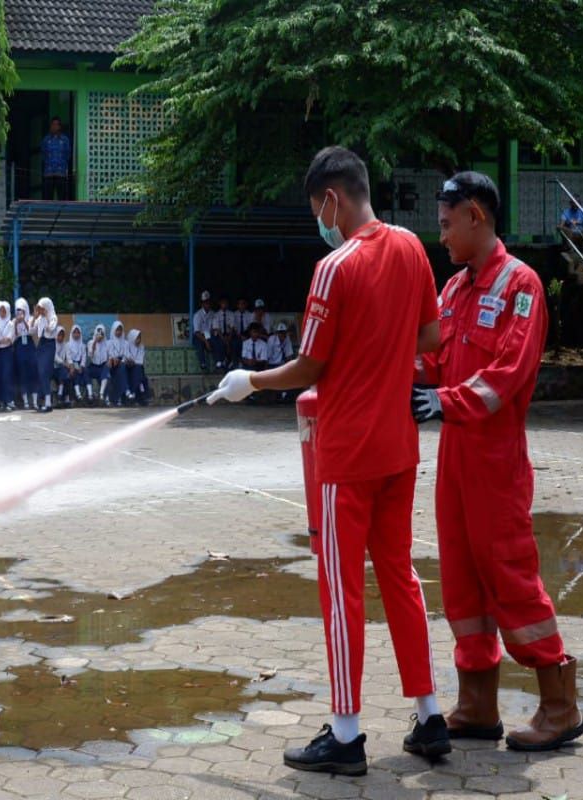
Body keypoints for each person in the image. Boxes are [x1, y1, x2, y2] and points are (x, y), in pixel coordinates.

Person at [208, 146, 444, 775]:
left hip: (347, 454)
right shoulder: (415, 249)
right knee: (400, 576)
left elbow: (310, 366)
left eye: (318, 209)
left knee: (342, 591)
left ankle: (345, 734)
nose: (320, 221)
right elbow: (431, 337)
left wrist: (248, 381)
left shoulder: (335, 268)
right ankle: (429, 715)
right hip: (399, 447)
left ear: (331, 200)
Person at [414, 171, 583, 752]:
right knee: (460, 577)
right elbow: (430, 361)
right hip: (456, 455)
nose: (441, 237)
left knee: (509, 575)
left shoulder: (521, 285)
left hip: (495, 456)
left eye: (444, 224)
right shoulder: (454, 291)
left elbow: (507, 376)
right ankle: (477, 705)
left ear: (475, 217)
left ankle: (560, 706)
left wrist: (445, 400)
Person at [12, 299, 38, 410]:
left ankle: (35, 401)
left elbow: (32, 331)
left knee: (33, 371)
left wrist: (25, 322)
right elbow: (13, 337)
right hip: (19, 347)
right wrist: (16, 324)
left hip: (29, 346)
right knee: (22, 373)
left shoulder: (31, 319)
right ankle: (25, 401)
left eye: (21, 310)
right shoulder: (13, 321)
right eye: (18, 310)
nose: (20, 313)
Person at [34, 297, 58, 413]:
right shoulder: (40, 318)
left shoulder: (53, 317)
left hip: (49, 345)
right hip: (41, 345)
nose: (41, 311)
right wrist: (35, 317)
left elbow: (50, 329)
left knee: (44, 371)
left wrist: (46, 318)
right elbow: (33, 330)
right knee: (39, 372)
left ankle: (48, 403)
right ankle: (43, 401)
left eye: (43, 308)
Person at [0, 301, 16, 411]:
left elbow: (10, 339)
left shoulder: (11, 324)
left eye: (4, 310)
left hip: (7, 352)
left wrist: (0, 340)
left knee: (7, 376)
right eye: (0, 310)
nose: (2, 312)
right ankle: (1, 401)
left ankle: (9, 400)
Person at [40, 117, 72, 200]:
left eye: (56, 124)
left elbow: (68, 154)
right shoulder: (46, 140)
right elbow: (43, 154)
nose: (54, 126)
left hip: (61, 173)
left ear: (59, 127)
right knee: (47, 198)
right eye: (52, 124)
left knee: (62, 198)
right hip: (48, 173)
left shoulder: (65, 140)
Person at [105, 320, 130, 406]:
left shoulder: (126, 343)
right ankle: (125, 391)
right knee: (119, 371)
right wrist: (113, 359)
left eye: (120, 330)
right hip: (112, 365)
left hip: (121, 363)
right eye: (117, 330)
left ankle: (119, 397)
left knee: (121, 369)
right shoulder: (109, 343)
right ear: (113, 330)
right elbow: (108, 356)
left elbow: (127, 355)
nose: (119, 332)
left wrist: (121, 361)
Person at [210, 297, 235, 371]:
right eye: (222, 303)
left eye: (226, 303)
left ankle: (231, 362)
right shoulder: (216, 315)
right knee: (220, 344)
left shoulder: (231, 314)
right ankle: (220, 362)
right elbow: (217, 329)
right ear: (220, 304)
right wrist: (224, 340)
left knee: (234, 343)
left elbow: (232, 327)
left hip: (229, 335)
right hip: (220, 335)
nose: (224, 305)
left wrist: (229, 338)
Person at [192, 292, 215, 372]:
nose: (207, 304)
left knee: (216, 342)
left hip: (208, 334)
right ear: (202, 304)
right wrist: (206, 341)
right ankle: (203, 363)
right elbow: (197, 332)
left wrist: (208, 339)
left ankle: (219, 363)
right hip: (199, 335)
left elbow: (213, 328)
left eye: (208, 302)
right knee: (199, 344)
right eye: (205, 303)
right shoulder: (197, 315)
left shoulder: (212, 313)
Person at [86, 323, 108, 404]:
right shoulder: (90, 342)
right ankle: (90, 394)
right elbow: (90, 355)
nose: (100, 335)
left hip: (102, 367)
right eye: (98, 333)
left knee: (106, 370)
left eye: (102, 333)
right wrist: (95, 343)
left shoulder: (106, 343)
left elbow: (108, 357)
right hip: (94, 366)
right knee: (86, 372)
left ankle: (101, 394)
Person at [66, 324, 87, 404]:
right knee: (73, 372)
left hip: (80, 364)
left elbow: (84, 356)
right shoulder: (68, 344)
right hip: (71, 364)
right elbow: (68, 357)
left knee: (84, 372)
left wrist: (81, 366)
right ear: (72, 333)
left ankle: (89, 395)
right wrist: (72, 365)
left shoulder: (82, 345)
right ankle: (77, 395)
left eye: (78, 333)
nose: (76, 334)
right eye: (74, 332)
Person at [126, 328, 148, 405]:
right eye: (137, 338)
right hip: (128, 368)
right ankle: (141, 394)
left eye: (139, 338)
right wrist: (131, 361)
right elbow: (126, 356)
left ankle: (134, 394)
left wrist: (133, 362)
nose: (138, 340)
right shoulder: (127, 345)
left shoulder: (141, 347)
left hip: (137, 368)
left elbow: (140, 360)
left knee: (139, 372)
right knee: (140, 374)